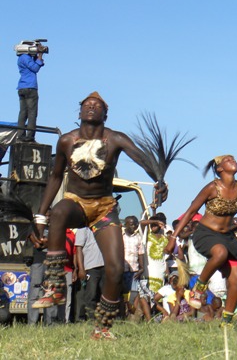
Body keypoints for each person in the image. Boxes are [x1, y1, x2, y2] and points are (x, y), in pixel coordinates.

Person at [31, 92, 167, 339]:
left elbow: (140, 156)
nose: (91, 107)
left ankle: (102, 327)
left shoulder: (114, 139)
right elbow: (54, 177)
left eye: (97, 106)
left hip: (104, 208)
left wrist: (158, 178)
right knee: (59, 211)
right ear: (79, 112)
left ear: (106, 114)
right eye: (86, 105)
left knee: (115, 269)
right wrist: (40, 217)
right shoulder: (66, 141)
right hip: (76, 203)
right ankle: (55, 285)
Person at [167, 155, 237, 326]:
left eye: (234, 159)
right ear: (219, 168)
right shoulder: (212, 187)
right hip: (206, 234)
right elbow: (190, 212)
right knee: (220, 253)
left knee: (236, 280)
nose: (233, 161)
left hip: (228, 237)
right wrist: (173, 238)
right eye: (228, 160)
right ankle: (199, 287)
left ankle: (226, 321)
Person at [16, 46, 44, 141]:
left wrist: (37, 57)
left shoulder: (21, 58)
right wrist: (40, 54)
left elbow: (35, 65)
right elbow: (35, 68)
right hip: (30, 87)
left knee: (23, 113)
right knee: (32, 113)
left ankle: (20, 135)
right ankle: (30, 137)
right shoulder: (25, 57)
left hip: (22, 87)